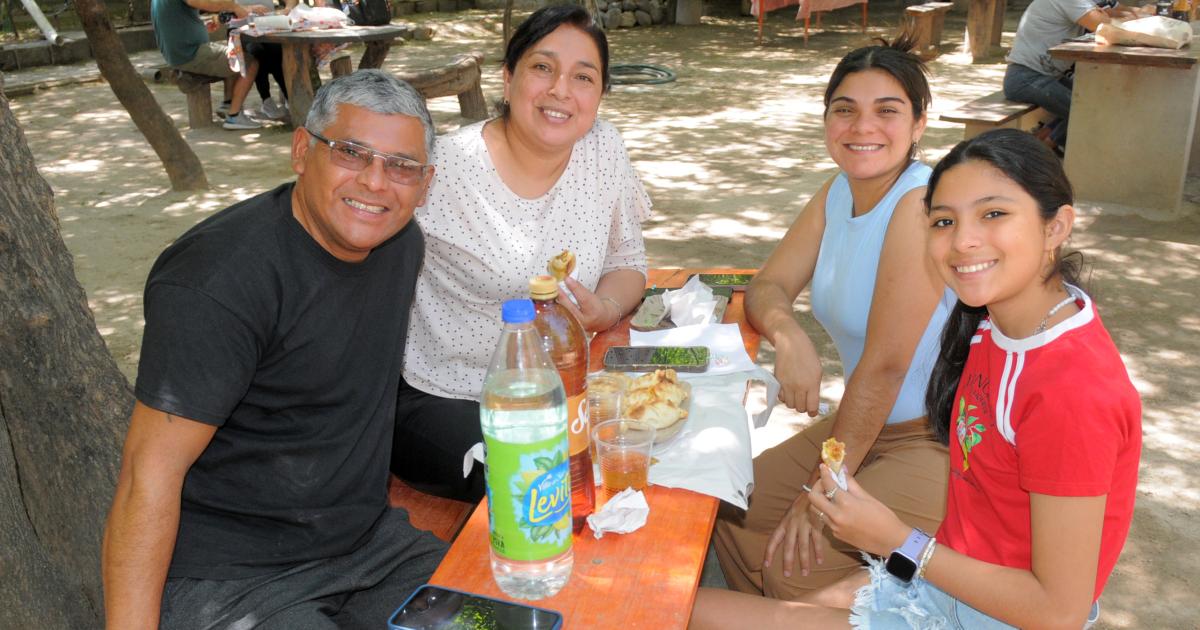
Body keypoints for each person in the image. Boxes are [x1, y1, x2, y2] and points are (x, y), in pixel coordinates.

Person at [691, 128, 1142, 630]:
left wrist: (898, 543)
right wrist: (898, 568)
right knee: (695, 602)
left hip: (993, 616)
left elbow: (1060, 612)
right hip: (947, 588)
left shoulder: (1070, 391)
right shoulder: (996, 327)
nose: (963, 240)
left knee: (678, 613)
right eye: (944, 221)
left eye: (993, 214)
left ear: (1057, 227)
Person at [102, 70, 445, 629]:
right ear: (302, 151)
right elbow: (149, 473)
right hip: (233, 578)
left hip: (369, 549)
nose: (376, 183)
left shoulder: (400, 243)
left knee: (520, 613)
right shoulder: (218, 281)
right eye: (352, 154)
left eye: (401, 166)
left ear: (425, 184)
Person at [713, 34, 954, 600]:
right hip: (864, 424)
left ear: (919, 124)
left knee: (792, 567)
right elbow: (767, 285)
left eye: (886, 111)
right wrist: (789, 333)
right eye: (844, 110)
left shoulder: (919, 205)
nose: (862, 127)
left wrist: (823, 486)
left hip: (936, 439)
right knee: (726, 508)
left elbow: (889, 365)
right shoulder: (838, 192)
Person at [392, 5, 651, 502]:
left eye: (583, 77)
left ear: (599, 95)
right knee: (544, 487)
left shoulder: (603, 150)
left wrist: (606, 309)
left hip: (569, 387)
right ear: (508, 78)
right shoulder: (444, 169)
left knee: (640, 455)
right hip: (452, 397)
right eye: (542, 67)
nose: (560, 90)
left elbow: (627, 259)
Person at [1003, 0, 1148, 152]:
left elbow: (1109, 13)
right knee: (1086, 110)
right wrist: (1138, 19)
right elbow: (1104, 27)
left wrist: (1134, 15)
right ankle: (1042, 151)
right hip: (1026, 77)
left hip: (1046, 75)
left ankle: (1045, 140)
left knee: (1098, 103)